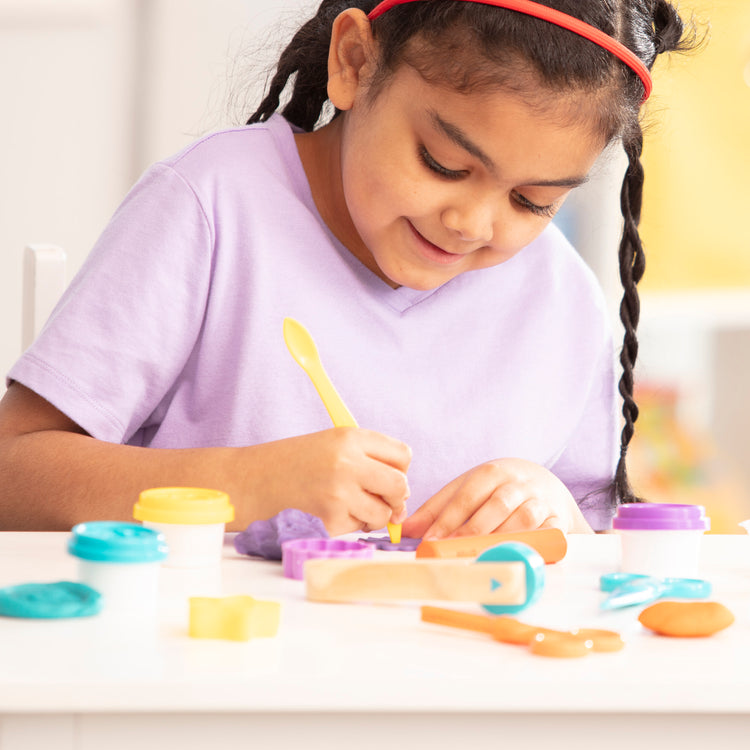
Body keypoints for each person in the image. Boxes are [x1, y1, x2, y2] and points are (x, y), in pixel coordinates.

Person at [0, 0, 692, 536]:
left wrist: (552, 514)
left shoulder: (560, 298)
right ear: (356, 63)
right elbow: (14, 472)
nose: (473, 224)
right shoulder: (213, 207)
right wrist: (246, 485)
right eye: (444, 164)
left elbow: (591, 536)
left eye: (531, 201)